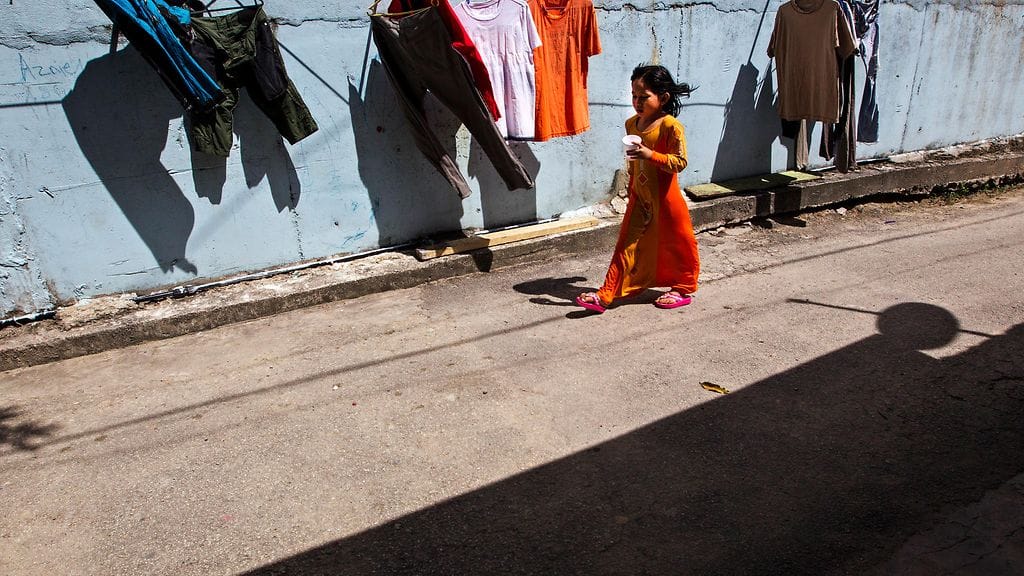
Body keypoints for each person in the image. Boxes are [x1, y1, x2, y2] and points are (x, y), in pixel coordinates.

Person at [576, 64, 701, 314]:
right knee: (625, 244)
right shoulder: (631, 124)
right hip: (639, 196)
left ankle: (683, 288)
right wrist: (633, 185)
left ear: (663, 97)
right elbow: (634, 163)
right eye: (634, 96)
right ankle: (605, 295)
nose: (637, 102)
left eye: (643, 97)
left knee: (678, 243)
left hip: (666, 200)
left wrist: (650, 154)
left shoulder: (670, 126)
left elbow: (680, 162)